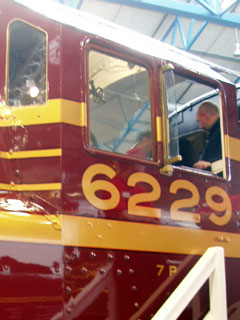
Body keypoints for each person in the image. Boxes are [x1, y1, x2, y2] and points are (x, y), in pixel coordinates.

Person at [193, 101, 222, 170]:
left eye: (199, 121)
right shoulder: (215, 133)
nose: (200, 126)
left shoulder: (226, 131)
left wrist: (211, 164)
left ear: (205, 117)